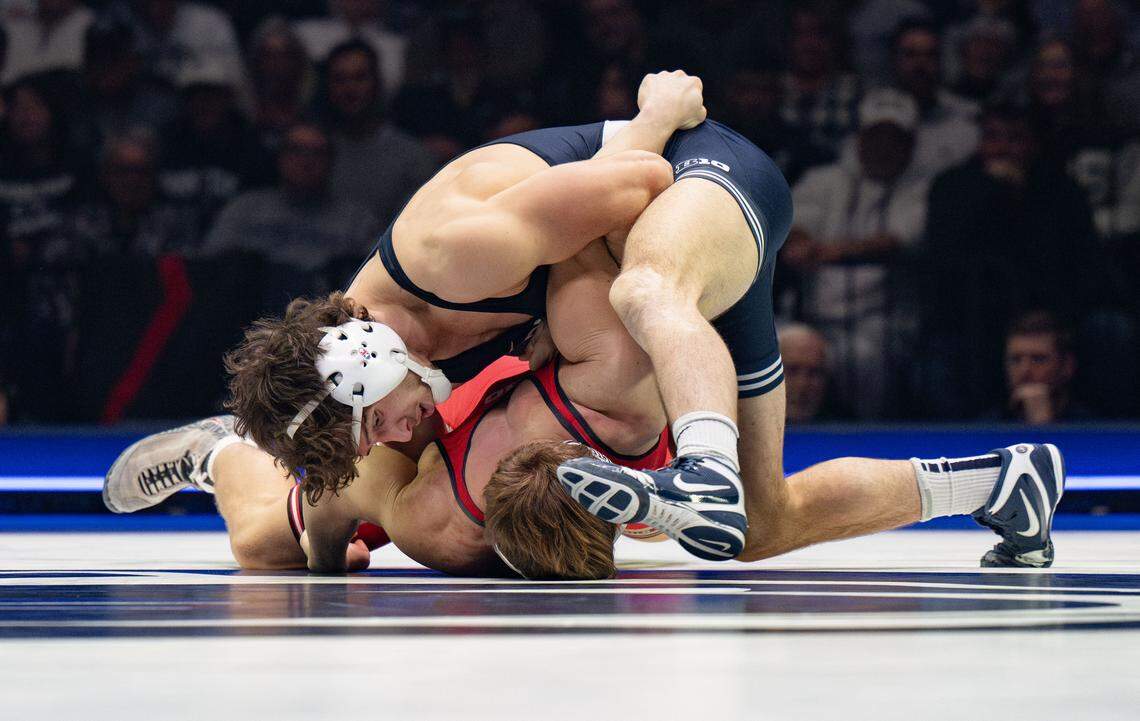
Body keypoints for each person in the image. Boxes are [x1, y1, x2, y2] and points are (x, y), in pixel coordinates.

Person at [102, 71, 708, 568]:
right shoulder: (390, 392)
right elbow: (337, 496)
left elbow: (633, 191)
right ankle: (230, 452)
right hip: (505, 367)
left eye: (374, 424)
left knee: (276, 543)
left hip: (573, 249)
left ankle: (228, 450)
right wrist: (323, 553)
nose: (389, 438)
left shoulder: (451, 261)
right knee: (267, 548)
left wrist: (654, 116)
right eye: (371, 432)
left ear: (370, 363)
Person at [985, 311, 1094, 424]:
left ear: (1067, 366)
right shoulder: (987, 426)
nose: (1024, 370)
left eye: (1038, 359)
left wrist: (1043, 425)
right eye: (1016, 359)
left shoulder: (1090, 426)